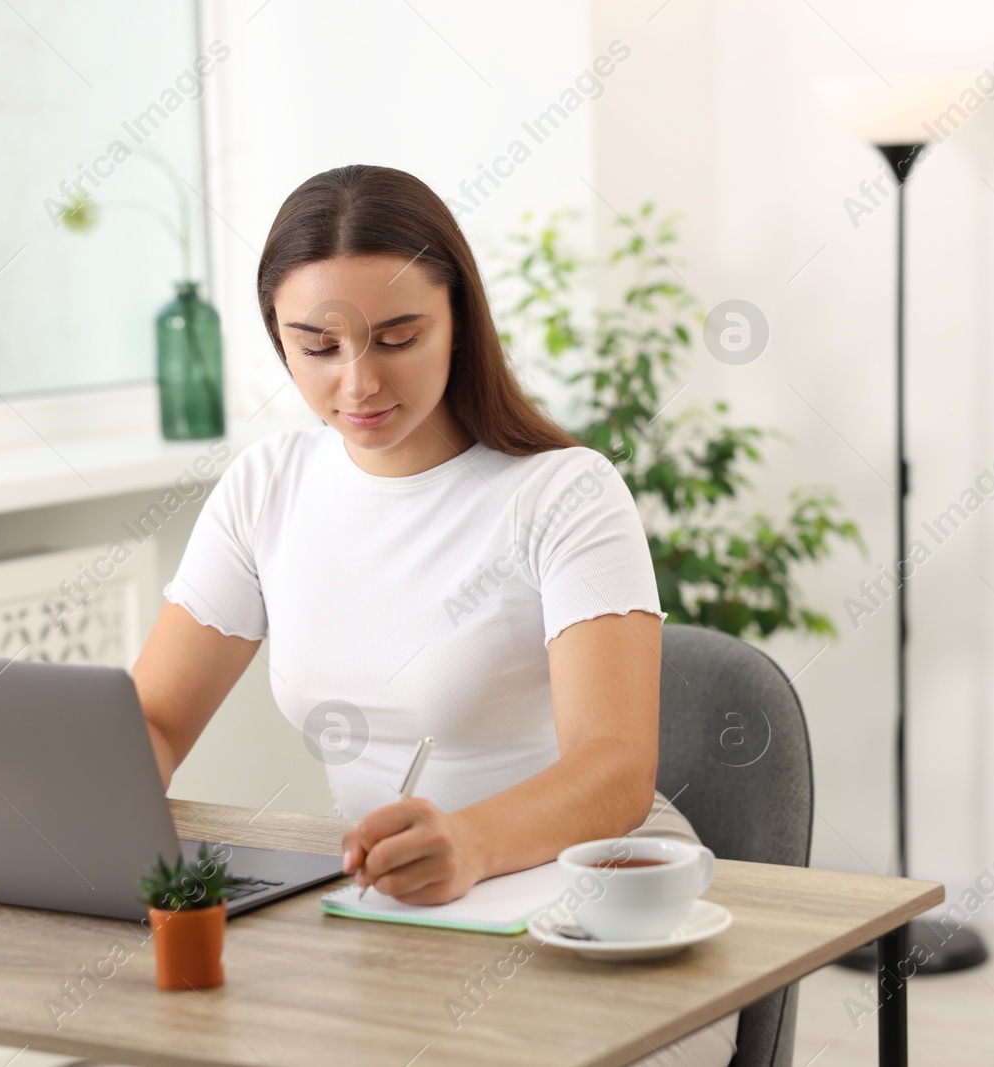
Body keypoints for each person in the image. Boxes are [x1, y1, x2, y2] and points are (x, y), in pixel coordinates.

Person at [132, 164, 737, 1067]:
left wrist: (471, 841)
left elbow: (615, 768)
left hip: (592, 907)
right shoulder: (267, 488)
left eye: (397, 337)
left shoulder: (564, 493)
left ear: (460, 323)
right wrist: (69, 808)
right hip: (390, 909)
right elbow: (154, 718)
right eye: (318, 347)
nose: (358, 382)